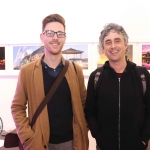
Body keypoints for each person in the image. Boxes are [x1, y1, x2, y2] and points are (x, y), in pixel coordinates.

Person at [11, 14, 88, 150]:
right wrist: (27, 137)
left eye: (59, 33)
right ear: (42, 37)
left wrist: (83, 129)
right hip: (39, 143)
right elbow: (17, 107)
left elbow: (84, 104)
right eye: (50, 33)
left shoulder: (76, 71)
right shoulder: (27, 71)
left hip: (72, 143)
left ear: (65, 38)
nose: (55, 37)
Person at [84, 23, 150, 150]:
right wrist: (98, 136)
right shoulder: (96, 77)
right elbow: (90, 111)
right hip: (105, 147)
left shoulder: (142, 75)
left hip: (138, 146)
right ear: (103, 48)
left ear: (125, 45)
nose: (113, 46)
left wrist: (144, 138)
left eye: (117, 41)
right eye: (108, 42)